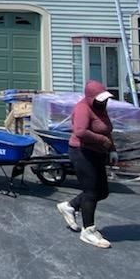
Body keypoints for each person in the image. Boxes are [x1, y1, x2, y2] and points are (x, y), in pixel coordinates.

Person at [56, 80, 117, 248]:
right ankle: (88, 231)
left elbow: (106, 130)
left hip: (98, 153)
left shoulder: (101, 108)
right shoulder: (83, 108)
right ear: (90, 98)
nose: (104, 101)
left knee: (102, 191)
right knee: (91, 191)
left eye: (105, 98)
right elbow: (80, 131)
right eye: (100, 99)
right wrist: (101, 140)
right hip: (81, 152)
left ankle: (70, 206)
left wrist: (112, 149)